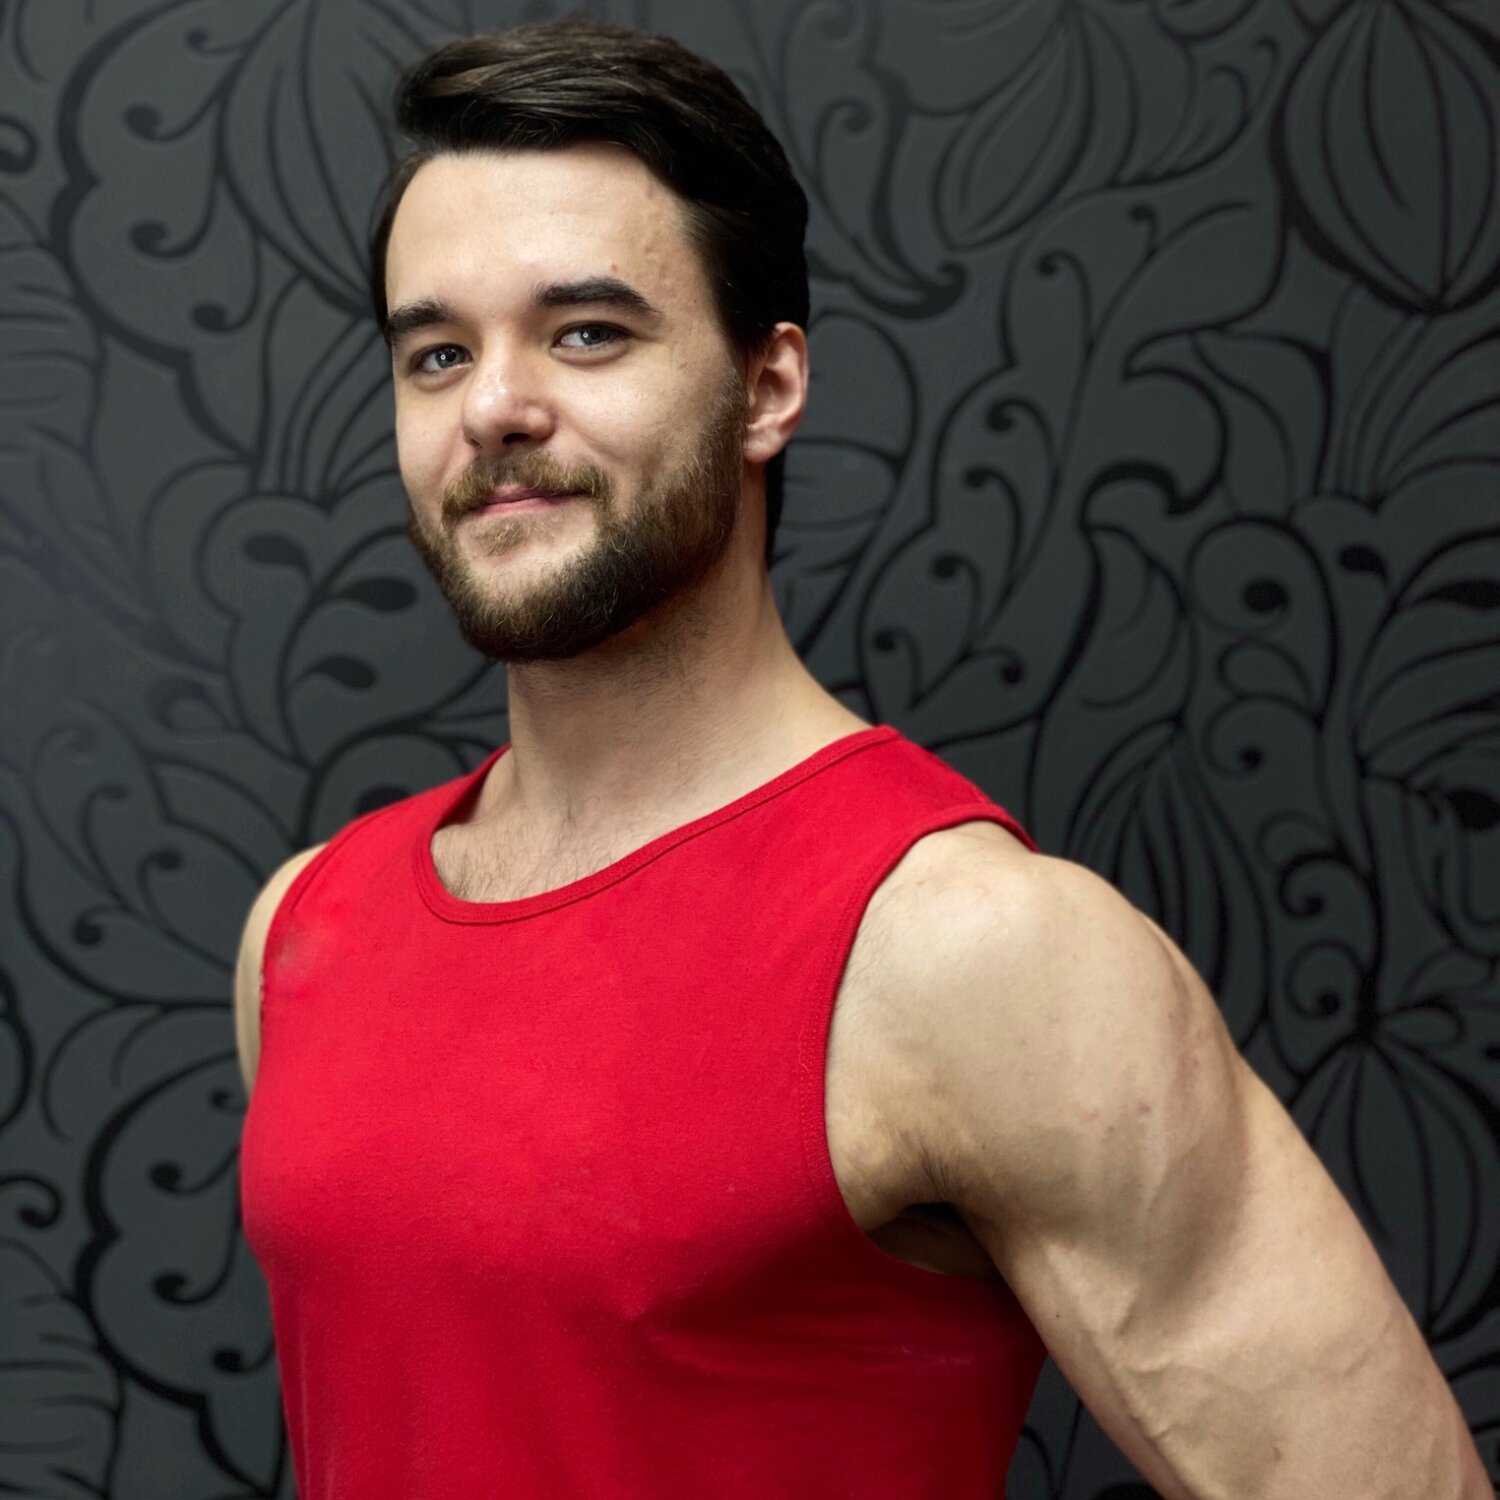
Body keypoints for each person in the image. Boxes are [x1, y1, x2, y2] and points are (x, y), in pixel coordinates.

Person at [232, 16, 1488, 1499]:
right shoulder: (305, 926)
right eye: (437, 353)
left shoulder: (975, 949)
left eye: (587, 333)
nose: (494, 406)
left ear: (767, 388)